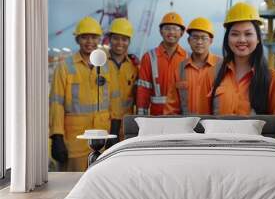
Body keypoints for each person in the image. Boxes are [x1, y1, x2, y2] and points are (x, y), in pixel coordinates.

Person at [49, 16, 121, 171]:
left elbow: (115, 102)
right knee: (73, 184)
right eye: (84, 37)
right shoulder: (64, 68)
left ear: (99, 39)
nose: (89, 42)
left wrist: (114, 132)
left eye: (94, 37)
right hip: (75, 141)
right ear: (77, 39)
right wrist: (57, 137)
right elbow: (57, 104)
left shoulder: (109, 67)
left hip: (103, 137)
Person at [210, 2, 275, 117]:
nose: (241, 39)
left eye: (248, 34)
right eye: (235, 34)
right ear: (227, 38)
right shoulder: (212, 74)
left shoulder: (274, 80)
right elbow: (203, 119)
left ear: (258, 38)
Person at [164, 17, 221, 115]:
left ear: (211, 41)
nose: (199, 42)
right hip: (186, 127)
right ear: (188, 40)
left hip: (214, 127)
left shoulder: (221, 65)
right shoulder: (180, 69)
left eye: (204, 38)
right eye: (195, 37)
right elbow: (171, 107)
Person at [136, 12, 187, 115]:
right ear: (160, 31)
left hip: (180, 117)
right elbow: (143, 91)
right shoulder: (149, 57)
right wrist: (141, 118)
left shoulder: (188, 58)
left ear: (182, 33)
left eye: (175, 29)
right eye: (167, 28)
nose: (171, 32)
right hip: (156, 116)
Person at [107, 18, 139, 145]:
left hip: (126, 126)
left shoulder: (134, 66)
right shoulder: (99, 64)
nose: (120, 43)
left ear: (129, 41)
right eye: (115, 38)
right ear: (109, 39)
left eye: (124, 39)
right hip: (105, 124)